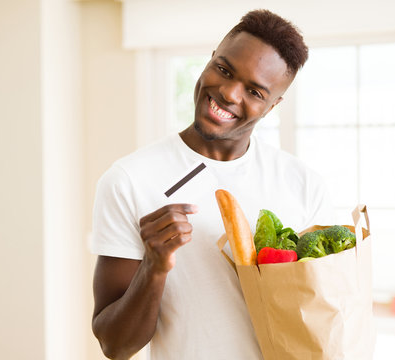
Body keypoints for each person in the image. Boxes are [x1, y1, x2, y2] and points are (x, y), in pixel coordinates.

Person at [90, 9, 334, 360]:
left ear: (272, 106)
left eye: (254, 91)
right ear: (210, 60)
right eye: (224, 70)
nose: (229, 94)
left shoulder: (303, 184)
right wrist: (154, 266)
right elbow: (115, 345)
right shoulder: (129, 179)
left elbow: (319, 313)